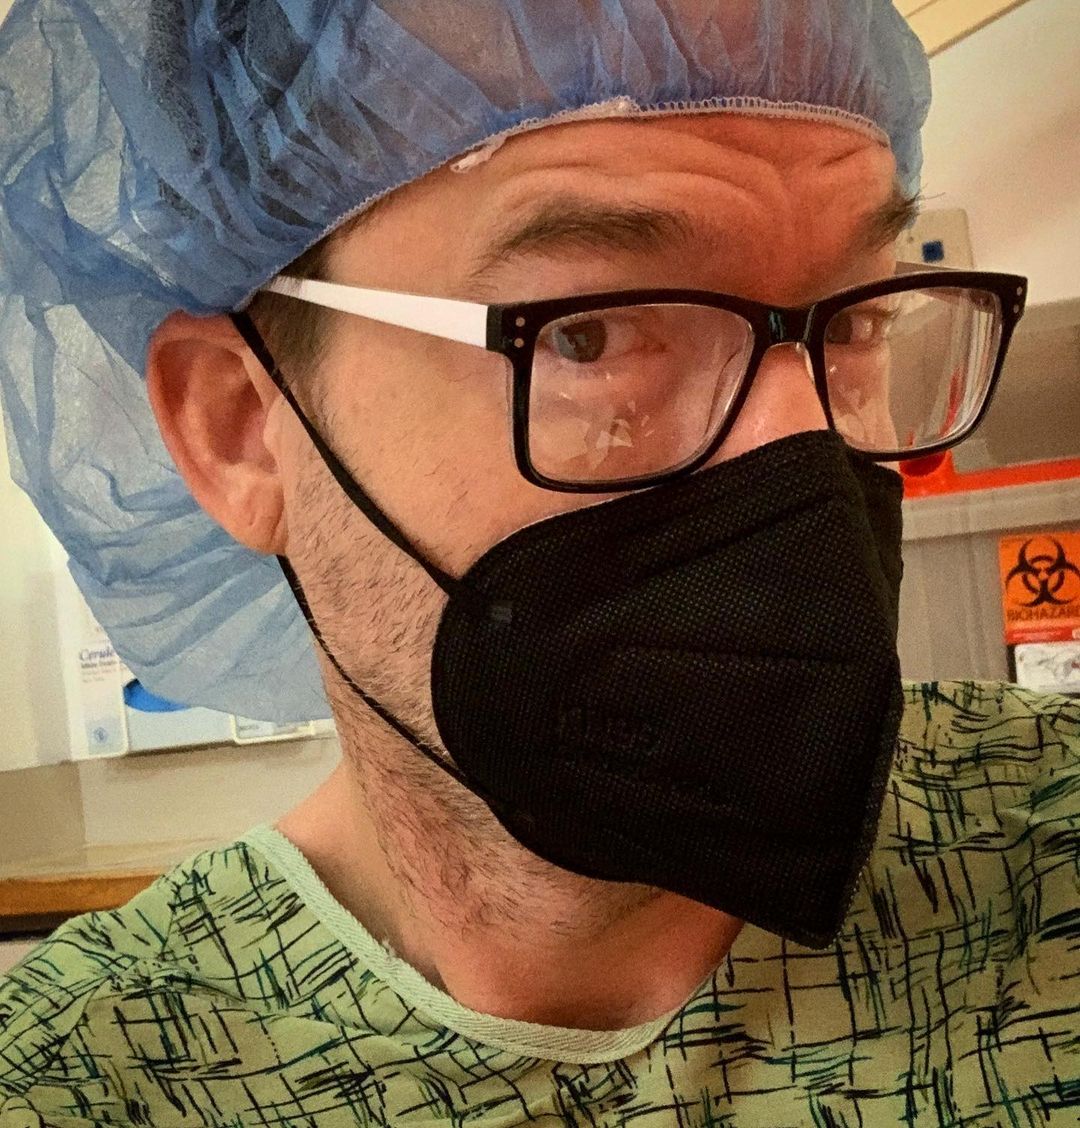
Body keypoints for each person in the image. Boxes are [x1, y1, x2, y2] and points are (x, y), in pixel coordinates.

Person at [0, 1, 1076, 1124]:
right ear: (241, 430)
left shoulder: (1051, 852)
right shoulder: (78, 1086)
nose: (799, 450)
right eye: (589, 335)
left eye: (850, 325)